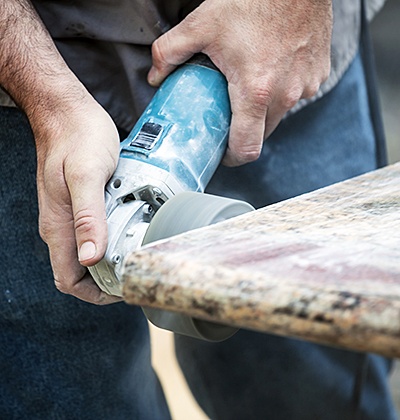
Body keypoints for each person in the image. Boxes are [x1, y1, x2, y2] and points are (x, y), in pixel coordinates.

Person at [0, 0, 395, 418]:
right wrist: (48, 101)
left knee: (316, 367)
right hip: (32, 65)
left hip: (276, 42)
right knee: (76, 398)